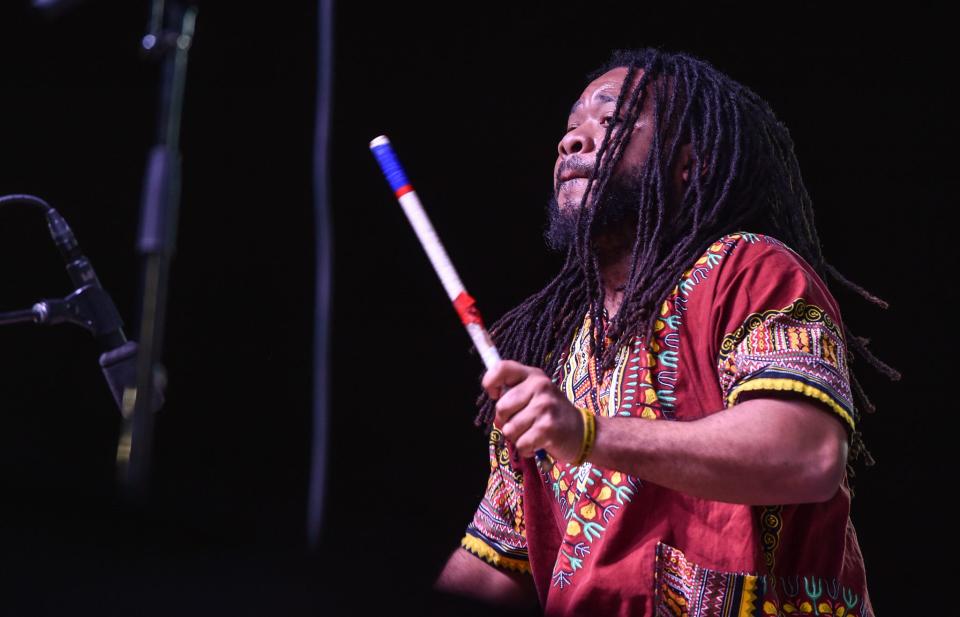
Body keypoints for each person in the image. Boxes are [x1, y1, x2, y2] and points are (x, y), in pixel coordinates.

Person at [433, 49, 898, 616]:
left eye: (612, 121)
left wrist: (586, 433)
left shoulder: (748, 270)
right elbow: (490, 570)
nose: (571, 142)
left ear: (689, 163)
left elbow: (807, 454)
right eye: (570, 127)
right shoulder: (551, 361)